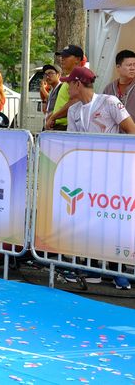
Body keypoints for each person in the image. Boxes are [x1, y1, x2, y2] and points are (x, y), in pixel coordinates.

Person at [60, 66, 135, 290]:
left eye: (69, 83)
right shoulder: (74, 111)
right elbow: (72, 144)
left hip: (113, 174)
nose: (67, 87)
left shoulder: (109, 102)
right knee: (90, 219)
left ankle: (117, 270)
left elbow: (131, 130)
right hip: (87, 176)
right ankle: (92, 267)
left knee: (113, 219)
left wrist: (119, 158)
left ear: (77, 84)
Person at [45, 45, 85, 131]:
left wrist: (54, 117)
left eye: (66, 56)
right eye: (61, 56)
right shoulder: (69, 77)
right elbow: (65, 101)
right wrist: (53, 114)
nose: (62, 59)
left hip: (68, 127)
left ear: (77, 59)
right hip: (61, 126)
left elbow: (75, 102)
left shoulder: (79, 76)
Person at [102, 49, 135, 119]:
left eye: (134, 65)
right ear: (118, 67)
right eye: (129, 65)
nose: (132, 68)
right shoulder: (109, 89)